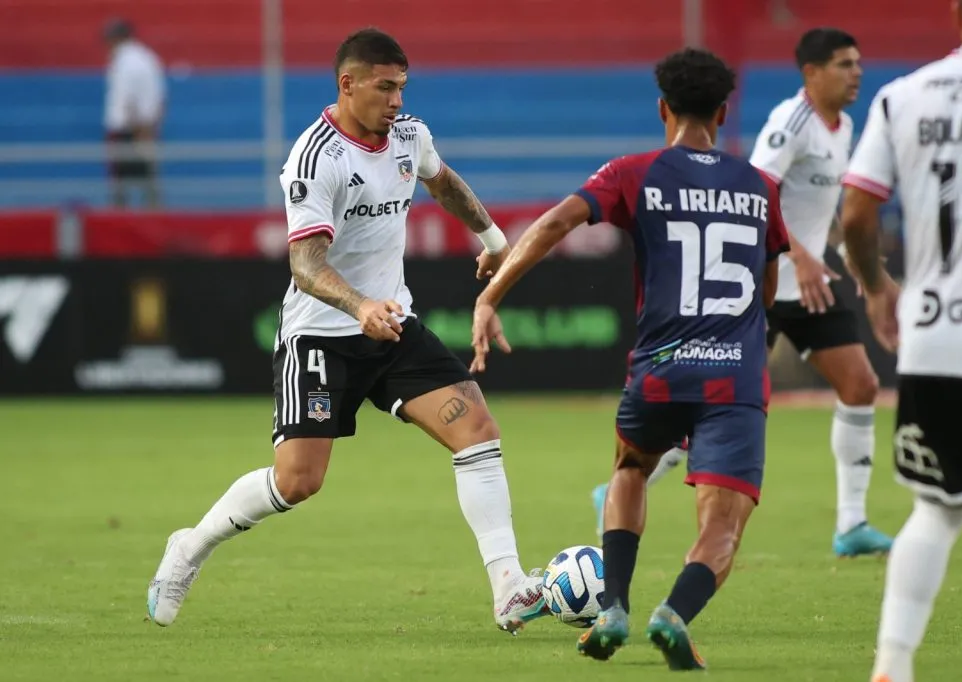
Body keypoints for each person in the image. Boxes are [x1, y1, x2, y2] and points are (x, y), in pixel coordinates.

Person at [146, 28, 547, 635]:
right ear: (348, 84)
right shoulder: (316, 159)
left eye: (401, 87)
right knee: (298, 481)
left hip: (392, 325)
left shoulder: (410, 136)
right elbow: (305, 266)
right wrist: (359, 306)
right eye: (384, 87)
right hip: (320, 336)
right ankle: (190, 547)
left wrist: (493, 240)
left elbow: (443, 183)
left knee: (477, 431)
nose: (395, 100)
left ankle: (509, 586)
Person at [472, 48, 790, 670]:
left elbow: (557, 223)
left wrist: (491, 294)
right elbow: (767, 289)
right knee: (722, 527)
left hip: (660, 367)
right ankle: (674, 612)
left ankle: (613, 602)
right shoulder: (762, 187)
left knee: (631, 467)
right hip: (735, 373)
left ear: (662, 109)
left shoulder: (632, 172)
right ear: (724, 113)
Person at [841, 2, 962, 681]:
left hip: (933, 335)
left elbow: (857, 210)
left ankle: (892, 663)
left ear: (957, 12)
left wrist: (877, 285)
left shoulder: (902, 97)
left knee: (938, 508)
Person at [749, 27, 892, 557]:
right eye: (843, 64)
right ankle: (628, 486)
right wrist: (798, 254)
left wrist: (856, 262)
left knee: (860, 385)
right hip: (761, 281)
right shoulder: (793, 122)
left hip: (810, 285)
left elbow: (824, 212)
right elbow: (754, 190)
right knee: (717, 401)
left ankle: (851, 526)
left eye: (857, 63)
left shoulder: (844, 125)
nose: (856, 72)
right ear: (811, 72)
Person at [102, 18, 165, 208]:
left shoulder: (127, 61)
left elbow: (128, 98)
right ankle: (151, 217)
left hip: (130, 128)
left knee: (123, 183)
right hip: (142, 127)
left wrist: (138, 128)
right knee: (146, 180)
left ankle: (122, 222)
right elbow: (160, 97)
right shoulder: (146, 58)